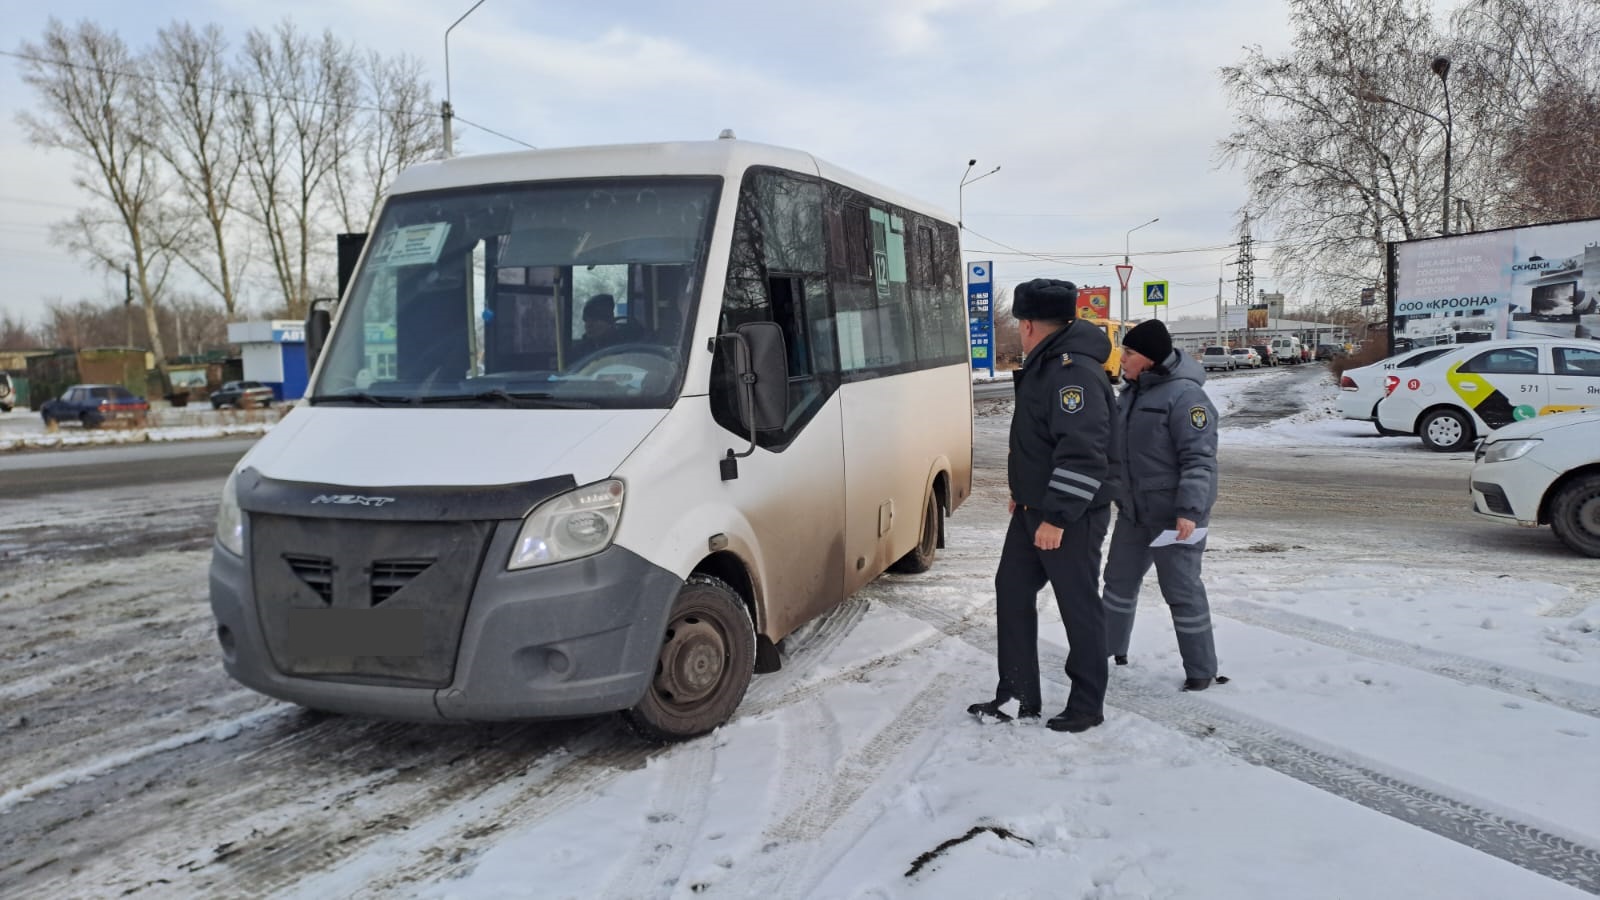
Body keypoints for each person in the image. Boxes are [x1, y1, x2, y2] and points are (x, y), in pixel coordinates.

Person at [967, 278, 1121, 733]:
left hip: (1069, 515)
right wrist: (1025, 493)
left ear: (1030, 324)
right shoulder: (1047, 364)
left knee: (1078, 606)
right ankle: (1016, 695)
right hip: (1035, 509)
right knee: (1011, 590)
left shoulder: (1071, 372)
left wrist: (1056, 514)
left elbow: (1083, 452)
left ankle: (1087, 704)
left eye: (1019, 324)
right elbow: (1039, 442)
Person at [1101, 319, 1227, 692]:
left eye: (1129, 352)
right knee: (1118, 584)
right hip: (1134, 512)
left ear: (1151, 359)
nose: (1121, 358)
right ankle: (1109, 652)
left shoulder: (1186, 398)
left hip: (1175, 517)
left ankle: (1201, 669)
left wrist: (1189, 511)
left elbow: (1199, 460)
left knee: (1182, 591)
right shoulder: (1131, 393)